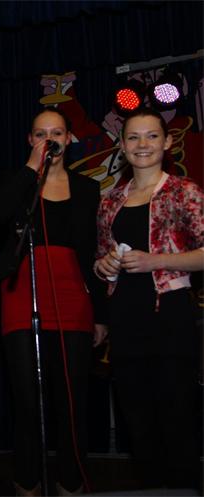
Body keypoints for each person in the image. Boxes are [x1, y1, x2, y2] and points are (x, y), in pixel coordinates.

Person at [0, 108, 108, 496]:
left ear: (69, 139)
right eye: (41, 134)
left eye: (57, 133)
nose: (49, 140)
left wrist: (100, 314)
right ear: (30, 140)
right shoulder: (17, 182)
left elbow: (93, 253)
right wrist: (31, 167)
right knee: (27, 401)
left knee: (71, 401)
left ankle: (70, 483)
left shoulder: (87, 189)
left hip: (72, 296)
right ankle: (27, 481)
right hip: (22, 293)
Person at [94, 107, 204, 490]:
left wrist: (156, 260)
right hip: (125, 319)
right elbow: (101, 259)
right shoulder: (109, 201)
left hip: (170, 315)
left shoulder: (184, 192)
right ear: (123, 146)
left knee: (177, 418)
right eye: (134, 137)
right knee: (137, 422)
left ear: (167, 142)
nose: (143, 144)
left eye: (152, 135)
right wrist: (104, 266)